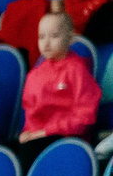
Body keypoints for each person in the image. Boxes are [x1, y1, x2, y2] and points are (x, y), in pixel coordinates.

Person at [19, 11, 99, 159]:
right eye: (41, 37)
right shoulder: (34, 75)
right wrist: (29, 132)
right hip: (39, 136)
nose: (46, 42)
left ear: (70, 38)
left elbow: (85, 117)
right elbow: (31, 112)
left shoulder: (77, 70)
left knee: (28, 152)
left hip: (68, 137)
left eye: (54, 36)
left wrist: (46, 131)